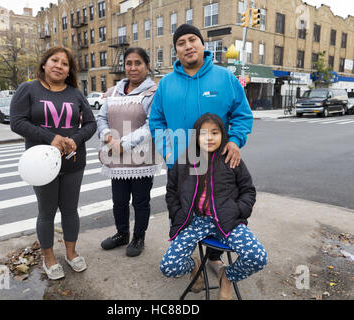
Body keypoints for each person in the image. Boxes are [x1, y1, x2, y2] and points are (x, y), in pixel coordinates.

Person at [149, 24, 253, 274]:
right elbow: (156, 121)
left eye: (192, 39)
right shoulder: (166, 84)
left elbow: (242, 115)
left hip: (219, 164)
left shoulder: (225, 78)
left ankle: (214, 258)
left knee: (219, 210)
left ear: (202, 44)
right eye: (181, 42)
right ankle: (189, 261)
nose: (188, 45)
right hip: (182, 165)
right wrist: (167, 150)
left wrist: (234, 140)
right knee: (180, 213)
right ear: (176, 50)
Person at [10, 46, 97, 280]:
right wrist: (52, 138)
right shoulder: (28, 89)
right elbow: (17, 122)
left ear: (70, 71)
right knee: (47, 211)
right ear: (44, 64)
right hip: (40, 163)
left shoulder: (76, 94)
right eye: (54, 60)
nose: (59, 66)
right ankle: (49, 257)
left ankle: (71, 252)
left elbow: (90, 124)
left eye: (65, 63)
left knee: (70, 210)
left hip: (72, 161)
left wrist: (75, 139)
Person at [160, 113, 267, 300]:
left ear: (222, 135)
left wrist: (238, 211)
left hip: (227, 221)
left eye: (215, 133)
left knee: (257, 257)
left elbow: (248, 191)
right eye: (203, 133)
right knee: (169, 267)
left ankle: (227, 276)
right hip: (194, 222)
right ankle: (194, 266)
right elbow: (171, 192)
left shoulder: (231, 159)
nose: (209, 138)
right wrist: (178, 213)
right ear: (195, 136)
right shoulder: (185, 161)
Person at [97, 47, 161, 257]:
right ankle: (122, 233)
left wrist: (123, 143)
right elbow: (101, 118)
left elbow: (152, 124)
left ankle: (138, 237)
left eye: (138, 63)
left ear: (147, 66)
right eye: (129, 63)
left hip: (141, 158)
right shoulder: (113, 92)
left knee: (141, 201)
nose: (133, 68)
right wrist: (108, 137)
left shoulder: (153, 92)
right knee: (119, 200)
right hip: (116, 157)